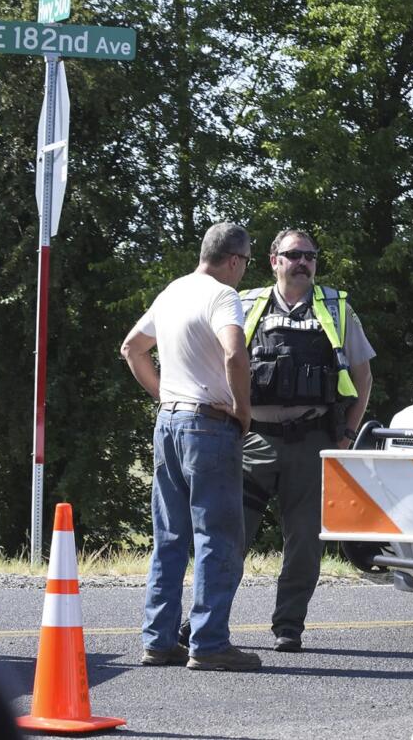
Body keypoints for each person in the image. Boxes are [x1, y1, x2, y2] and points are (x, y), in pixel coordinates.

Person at [120, 222, 261, 671]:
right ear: (235, 260)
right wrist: (242, 408)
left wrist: (164, 395)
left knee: (170, 537)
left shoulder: (172, 292)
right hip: (209, 425)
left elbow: (132, 349)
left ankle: (158, 640)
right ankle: (209, 642)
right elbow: (235, 353)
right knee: (217, 537)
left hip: (169, 422)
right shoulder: (223, 296)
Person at [237, 229, 374, 652]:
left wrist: (349, 434)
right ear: (273, 259)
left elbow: (363, 376)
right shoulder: (244, 305)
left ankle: (289, 626)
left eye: (310, 256)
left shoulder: (336, 306)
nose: (303, 262)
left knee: (304, 543)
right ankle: (204, 624)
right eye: (294, 254)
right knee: (229, 538)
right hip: (252, 440)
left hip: (312, 438)